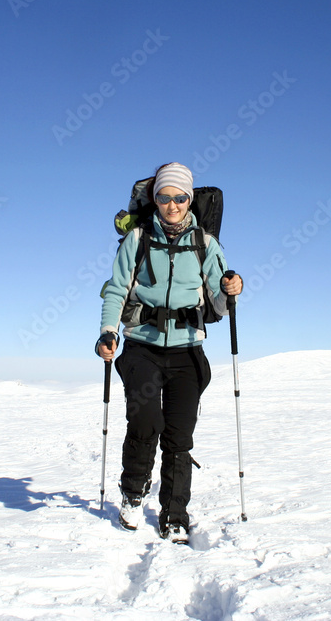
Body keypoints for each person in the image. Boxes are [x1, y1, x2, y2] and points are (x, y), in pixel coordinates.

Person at [95, 162, 242, 544]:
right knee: (144, 419)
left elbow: (219, 303)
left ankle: (175, 514)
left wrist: (231, 291)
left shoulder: (206, 245)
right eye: (164, 196)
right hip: (142, 344)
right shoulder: (138, 238)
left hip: (187, 349)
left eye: (179, 197)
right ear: (155, 199)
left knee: (179, 435)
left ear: (189, 199)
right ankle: (132, 491)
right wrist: (108, 332)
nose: (172, 204)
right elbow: (116, 289)